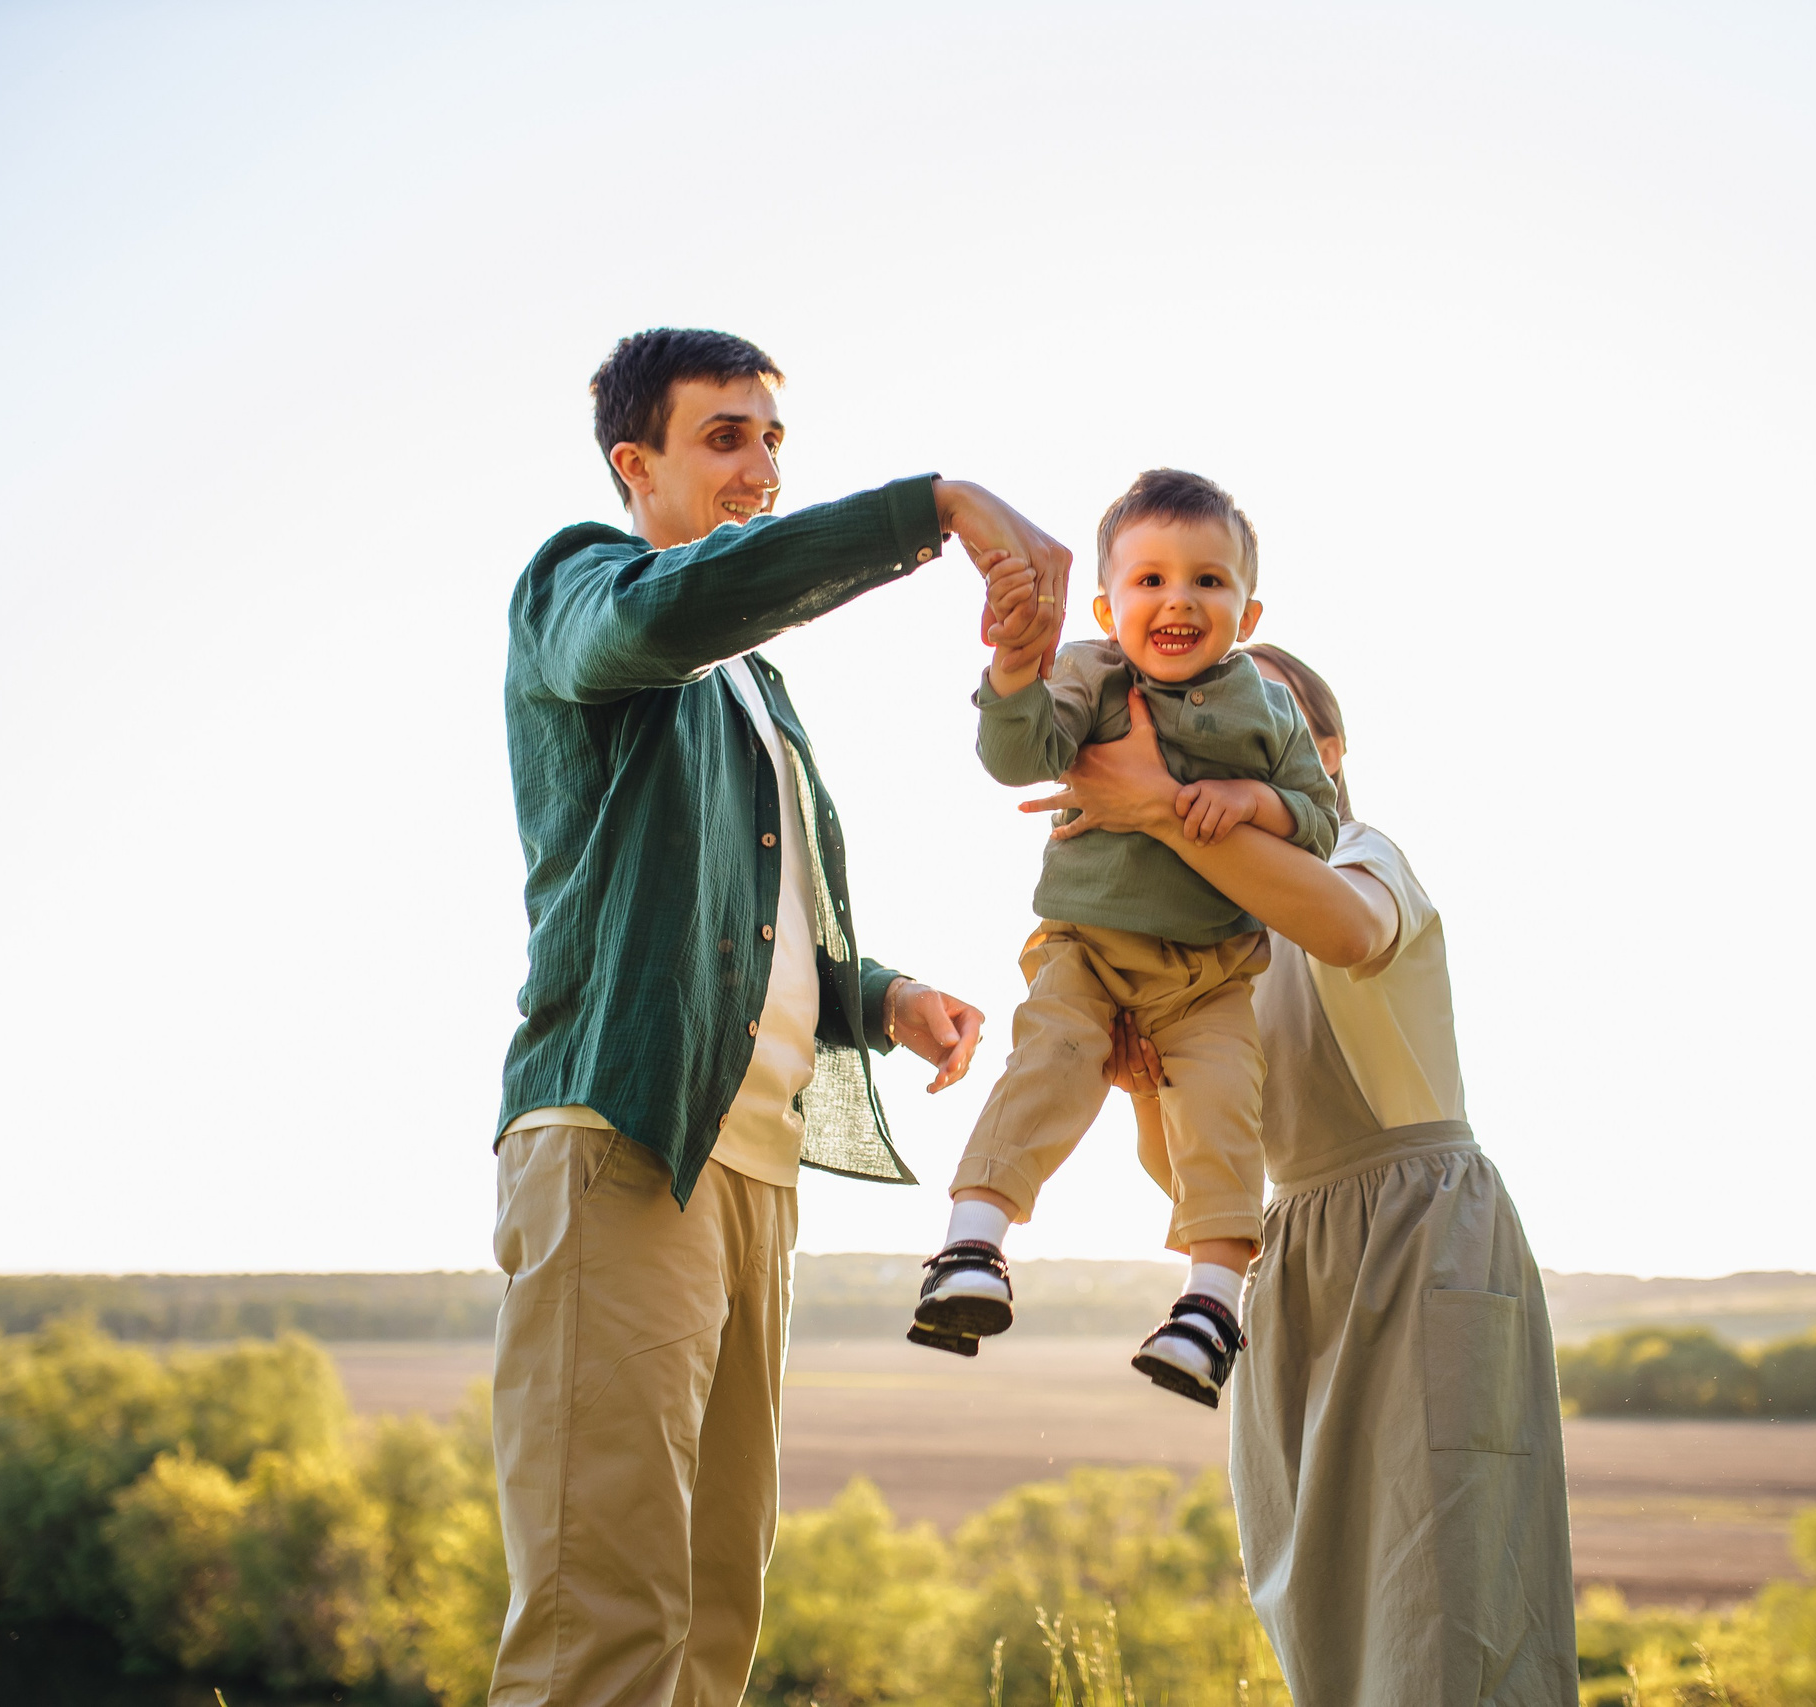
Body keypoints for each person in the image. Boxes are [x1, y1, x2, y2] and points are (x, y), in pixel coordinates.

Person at [491, 326, 1069, 1707]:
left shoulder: (756, 684)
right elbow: (660, 616)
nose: (758, 464)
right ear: (637, 463)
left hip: (753, 1167)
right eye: (724, 436)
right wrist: (931, 508)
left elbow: (752, 927)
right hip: (622, 1138)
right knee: (602, 1624)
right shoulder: (585, 587)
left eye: (772, 438)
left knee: (711, 1619)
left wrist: (883, 996)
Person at [1026, 644, 1580, 1706]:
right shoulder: (1202, 938)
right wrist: (1144, 1083)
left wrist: (1147, 810)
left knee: (1448, 1610)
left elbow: (1349, 929)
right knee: (1318, 1607)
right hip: (1289, 1258)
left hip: (1420, 1237)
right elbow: (1189, 1175)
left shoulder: (1367, 855)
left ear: (1321, 755)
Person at [904, 471, 1338, 1408]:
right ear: (1107, 604)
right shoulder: (1094, 676)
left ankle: (1209, 1309)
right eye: (1151, 581)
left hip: (1208, 978)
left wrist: (1252, 799)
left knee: (1224, 1113)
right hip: (1087, 951)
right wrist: (1017, 669)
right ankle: (971, 1247)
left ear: (1247, 609)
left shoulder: (1268, 713)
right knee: (1051, 1061)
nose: (1178, 598)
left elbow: (1319, 818)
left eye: (1208, 582)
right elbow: (1021, 754)